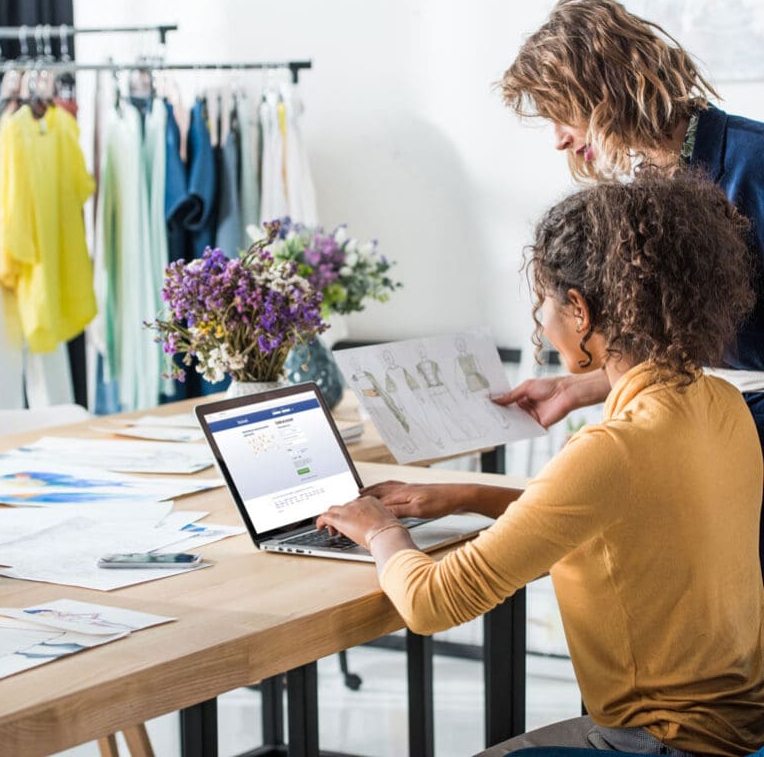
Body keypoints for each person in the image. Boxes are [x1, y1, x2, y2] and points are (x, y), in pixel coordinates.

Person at [317, 174, 764, 757]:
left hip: (665, 743)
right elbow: (622, 518)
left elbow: (431, 602)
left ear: (579, 309)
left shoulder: (613, 449)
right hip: (742, 735)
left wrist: (380, 530)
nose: (543, 324)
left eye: (544, 303)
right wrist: (465, 496)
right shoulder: (722, 405)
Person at [496, 0, 764, 573]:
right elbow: (692, 342)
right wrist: (580, 390)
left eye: (561, 114)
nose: (560, 140)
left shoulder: (753, 161)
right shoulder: (657, 181)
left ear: (605, 92)